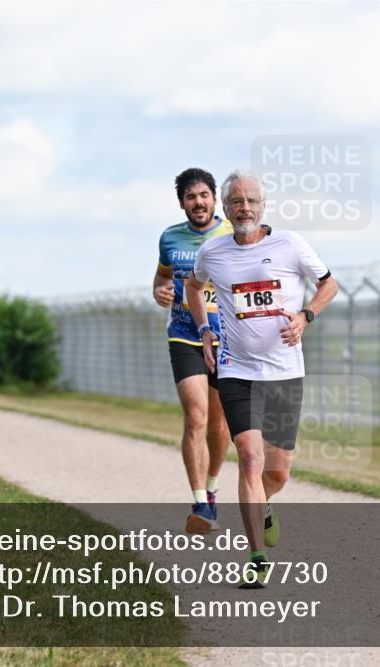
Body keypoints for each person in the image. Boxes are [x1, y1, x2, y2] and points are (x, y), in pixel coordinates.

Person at [187, 170, 338, 588]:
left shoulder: (290, 245)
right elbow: (193, 287)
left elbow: (329, 285)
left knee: (277, 473)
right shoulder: (213, 253)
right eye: (236, 201)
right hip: (236, 370)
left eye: (251, 200)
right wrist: (204, 331)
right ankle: (257, 557)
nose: (244, 208)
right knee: (249, 460)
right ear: (226, 208)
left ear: (264, 205)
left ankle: (263, 506)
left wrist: (306, 316)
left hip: (285, 372)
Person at [154, 168, 235, 534]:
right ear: (182, 202)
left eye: (204, 195)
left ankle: (213, 485)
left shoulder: (232, 234)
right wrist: (160, 292)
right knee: (196, 418)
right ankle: (200, 502)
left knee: (219, 424)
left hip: (228, 340)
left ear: (214, 198)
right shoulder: (170, 237)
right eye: (191, 196)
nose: (198, 202)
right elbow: (162, 279)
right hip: (185, 335)